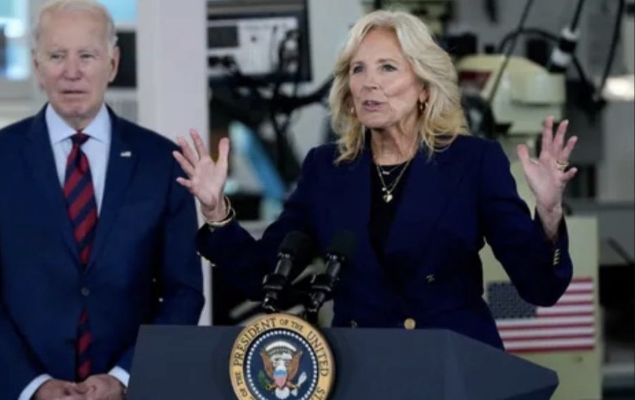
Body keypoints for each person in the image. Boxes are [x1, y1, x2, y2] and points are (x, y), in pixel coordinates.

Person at [173, 9, 577, 350]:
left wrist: (549, 214)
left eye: (387, 68)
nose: (370, 82)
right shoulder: (326, 169)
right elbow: (261, 276)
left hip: (452, 365)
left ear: (424, 87)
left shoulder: (472, 162)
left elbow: (540, 287)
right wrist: (217, 212)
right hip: (361, 368)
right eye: (358, 69)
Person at [0, 1, 204, 399]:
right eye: (57, 56)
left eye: (87, 55)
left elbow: (183, 292)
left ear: (113, 64)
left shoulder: (161, 162)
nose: (72, 72)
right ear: (37, 66)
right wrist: (35, 385)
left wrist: (124, 377)